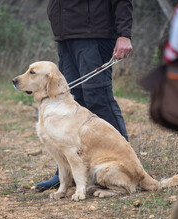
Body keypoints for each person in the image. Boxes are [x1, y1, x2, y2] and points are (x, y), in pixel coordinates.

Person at [36, 0, 133, 191]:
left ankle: (127, 166)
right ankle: (67, 173)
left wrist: (124, 35)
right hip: (65, 38)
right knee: (69, 107)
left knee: (98, 99)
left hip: (94, 36)